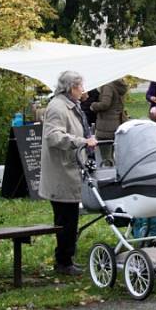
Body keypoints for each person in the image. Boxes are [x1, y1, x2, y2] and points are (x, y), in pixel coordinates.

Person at [39, 70, 98, 276]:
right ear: (71, 87)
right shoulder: (57, 107)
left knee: (70, 218)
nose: (84, 89)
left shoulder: (70, 105)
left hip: (69, 170)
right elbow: (53, 136)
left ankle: (66, 259)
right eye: (81, 85)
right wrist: (81, 142)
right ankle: (63, 262)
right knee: (66, 219)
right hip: (61, 173)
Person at [89, 78, 128, 164]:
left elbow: (105, 104)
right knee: (113, 155)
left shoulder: (108, 85)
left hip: (106, 126)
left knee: (106, 157)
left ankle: (109, 175)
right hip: (117, 122)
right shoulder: (118, 85)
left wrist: (93, 106)